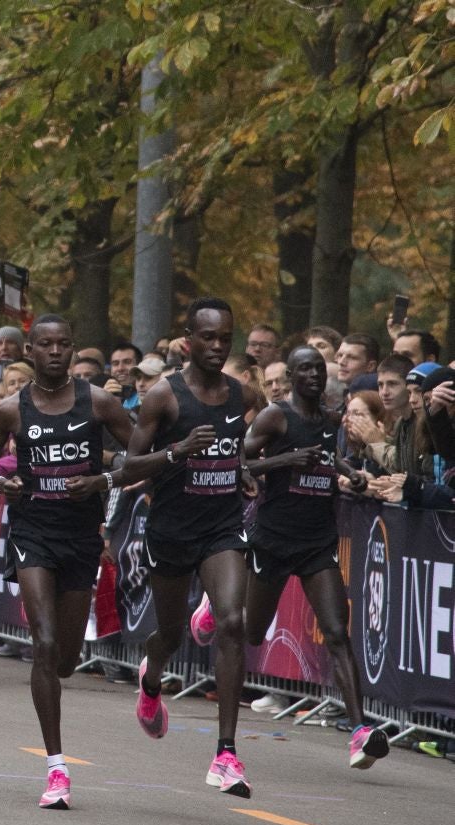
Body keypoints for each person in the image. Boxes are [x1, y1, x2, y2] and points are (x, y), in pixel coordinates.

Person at [0, 315, 135, 810]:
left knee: (65, 658)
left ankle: (61, 666)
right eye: (45, 345)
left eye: (64, 344)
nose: (56, 352)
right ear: (30, 350)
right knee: (43, 643)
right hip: (32, 534)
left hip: (81, 538)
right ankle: (56, 768)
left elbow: (141, 455)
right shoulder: (9, 410)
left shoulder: (98, 403)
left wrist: (102, 482)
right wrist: (3, 484)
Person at [120, 297, 258, 797]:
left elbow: (233, 446)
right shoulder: (164, 396)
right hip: (172, 530)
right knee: (171, 635)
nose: (218, 346)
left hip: (221, 528)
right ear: (188, 340)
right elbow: (129, 468)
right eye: (209, 337)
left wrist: (239, 470)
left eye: (226, 337)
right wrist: (178, 451)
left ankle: (225, 754)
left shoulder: (240, 392)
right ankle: (152, 677)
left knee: (233, 622)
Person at [241, 347, 389, 770]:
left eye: (318, 369)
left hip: (317, 541)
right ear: (290, 375)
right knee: (252, 634)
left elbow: (327, 458)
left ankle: (360, 733)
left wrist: (350, 473)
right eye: (304, 369)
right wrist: (286, 459)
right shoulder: (275, 416)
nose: (313, 375)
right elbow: (241, 461)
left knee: (337, 632)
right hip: (274, 538)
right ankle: (215, 607)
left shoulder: (328, 419)